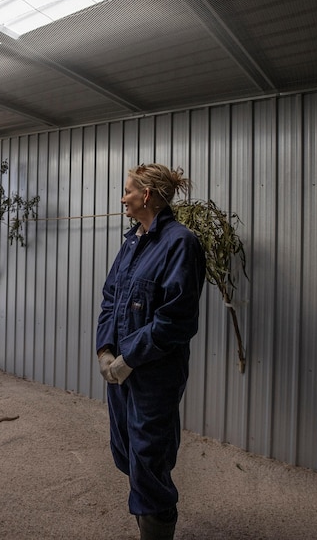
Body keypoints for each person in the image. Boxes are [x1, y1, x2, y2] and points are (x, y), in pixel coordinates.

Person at [96, 163, 206, 540]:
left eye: (127, 190)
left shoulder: (180, 243)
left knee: (149, 457)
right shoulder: (131, 242)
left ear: (146, 195)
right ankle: (148, 515)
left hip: (153, 375)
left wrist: (131, 358)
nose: (122, 197)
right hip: (120, 373)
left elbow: (177, 320)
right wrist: (106, 350)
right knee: (126, 451)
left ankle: (156, 526)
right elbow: (111, 298)